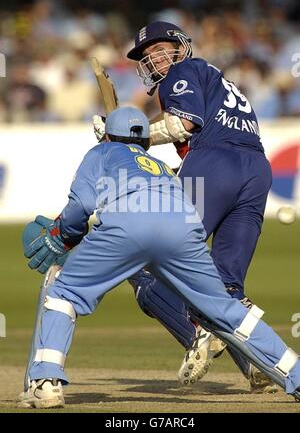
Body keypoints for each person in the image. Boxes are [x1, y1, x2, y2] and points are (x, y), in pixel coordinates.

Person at [18, 107, 300, 408]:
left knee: (64, 292)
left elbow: (79, 209)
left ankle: (46, 383)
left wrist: (64, 237)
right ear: (146, 142)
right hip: (182, 227)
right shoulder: (159, 164)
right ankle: (296, 374)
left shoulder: (99, 154)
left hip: (127, 223)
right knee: (227, 312)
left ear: (107, 135)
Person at [124, 20, 274, 391]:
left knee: (146, 260)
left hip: (214, 165)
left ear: (179, 47)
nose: (154, 60)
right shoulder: (221, 80)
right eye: (147, 56)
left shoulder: (185, 70)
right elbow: (209, 141)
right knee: (226, 287)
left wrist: (129, 135)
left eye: (159, 50)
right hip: (256, 170)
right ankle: (261, 364)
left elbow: (183, 125)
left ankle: (198, 330)